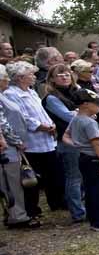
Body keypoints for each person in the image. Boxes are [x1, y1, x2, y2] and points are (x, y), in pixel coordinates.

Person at [2, 61, 64, 216]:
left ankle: (57, 202)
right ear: (20, 77)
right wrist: (42, 126)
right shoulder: (11, 94)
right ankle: (32, 209)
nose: (34, 76)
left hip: (47, 139)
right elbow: (23, 117)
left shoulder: (31, 91)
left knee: (53, 173)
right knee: (31, 178)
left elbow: (40, 111)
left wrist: (51, 124)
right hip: (31, 142)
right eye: (30, 74)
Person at [66, 89, 99, 230]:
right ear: (85, 104)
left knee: (91, 191)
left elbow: (65, 136)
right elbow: (96, 143)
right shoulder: (88, 122)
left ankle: (95, 220)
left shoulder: (76, 118)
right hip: (95, 159)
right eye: (96, 103)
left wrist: (78, 145)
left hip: (84, 158)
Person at [42, 63, 88, 224]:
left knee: (84, 176)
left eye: (66, 74)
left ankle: (85, 206)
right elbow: (68, 116)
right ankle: (77, 212)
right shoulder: (52, 98)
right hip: (67, 141)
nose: (64, 77)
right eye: (59, 75)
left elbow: (95, 107)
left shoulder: (77, 92)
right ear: (52, 80)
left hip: (85, 138)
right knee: (73, 177)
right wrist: (83, 112)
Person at [0, 69, 36, 229]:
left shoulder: (3, 95)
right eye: (5, 77)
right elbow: (3, 124)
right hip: (7, 147)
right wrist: (17, 141)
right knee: (12, 182)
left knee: (14, 182)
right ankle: (17, 216)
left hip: (11, 146)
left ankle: (15, 213)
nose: (8, 80)